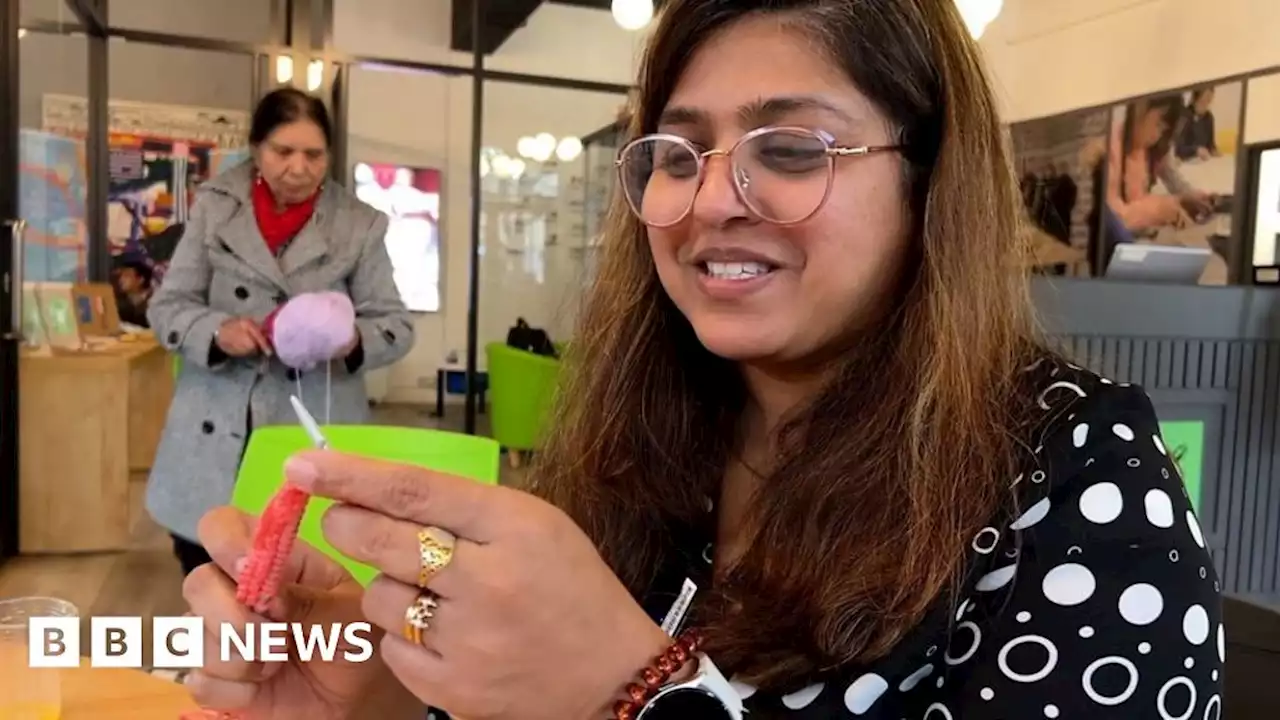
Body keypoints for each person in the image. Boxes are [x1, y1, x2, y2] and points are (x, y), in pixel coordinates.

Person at [181, 2, 1224, 719]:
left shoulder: (1077, 477)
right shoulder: (645, 441)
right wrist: (387, 699)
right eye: (674, 154)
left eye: (791, 149)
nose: (710, 199)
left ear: (928, 177)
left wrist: (639, 694)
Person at [146, 87, 414, 577]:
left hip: (311, 422)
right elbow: (167, 307)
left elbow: (396, 326)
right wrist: (216, 330)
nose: (299, 167)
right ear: (255, 148)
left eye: (314, 154)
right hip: (214, 430)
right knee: (209, 573)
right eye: (282, 151)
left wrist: (348, 339)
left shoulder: (358, 225)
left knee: (301, 580)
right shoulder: (215, 207)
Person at [1106, 95, 1214, 234]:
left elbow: (1142, 200)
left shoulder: (1153, 148)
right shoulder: (1109, 148)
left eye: (1163, 131)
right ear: (1140, 109)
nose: (1157, 136)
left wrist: (1183, 199)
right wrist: (1162, 209)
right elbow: (1115, 219)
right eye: (1158, 125)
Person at [1176, 87, 1219, 161]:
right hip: (1186, 162)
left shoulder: (1208, 117)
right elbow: (1178, 148)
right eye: (1203, 101)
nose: (1206, 105)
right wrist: (1196, 150)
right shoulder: (1185, 116)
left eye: (1209, 101)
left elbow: (1210, 144)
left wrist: (1214, 151)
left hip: (1203, 162)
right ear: (1195, 98)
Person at [111, 258, 154, 328]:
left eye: (126, 276)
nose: (121, 280)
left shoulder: (155, 303)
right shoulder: (119, 302)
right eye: (121, 276)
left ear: (141, 279)